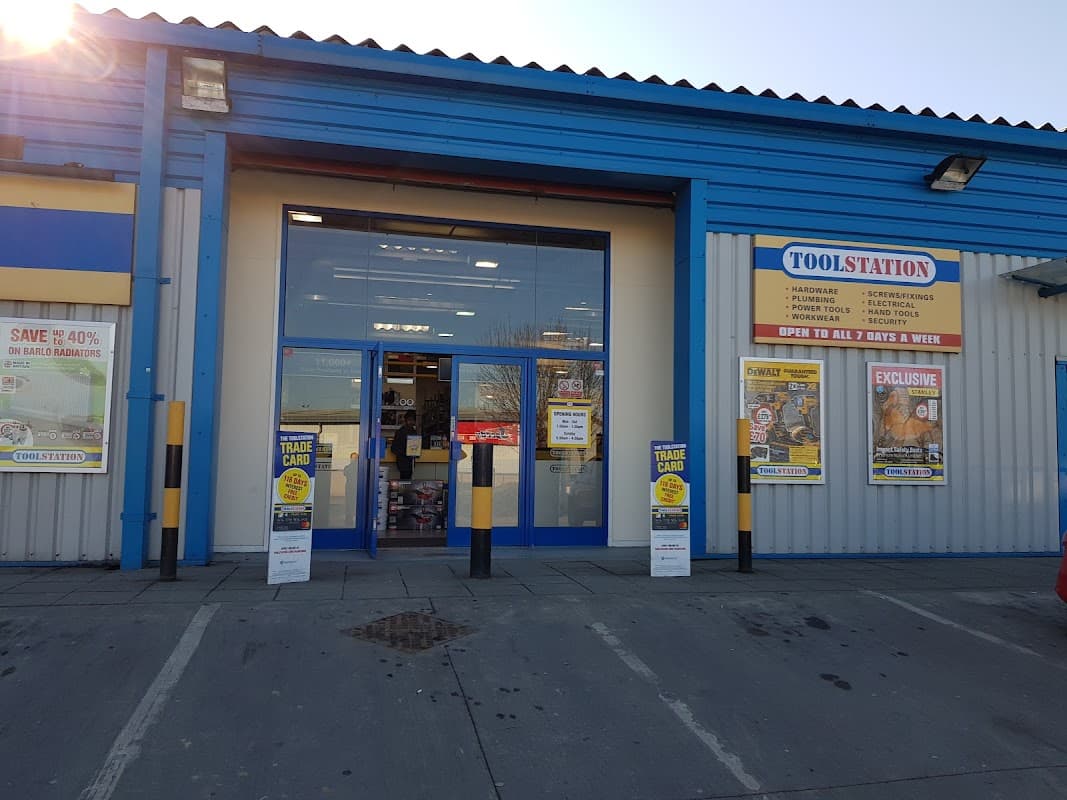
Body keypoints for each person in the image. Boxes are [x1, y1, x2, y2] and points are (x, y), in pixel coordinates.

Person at [390, 410, 418, 479]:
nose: (411, 422)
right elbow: (393, 449)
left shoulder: (414, 432)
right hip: (403, 463)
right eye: (409, 420)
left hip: (411, 463)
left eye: (413, 420)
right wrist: (405, 453)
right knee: (404, 482)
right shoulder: (400, 432)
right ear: (405, 420)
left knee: (408, 482)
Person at [342, 450, 359, 526]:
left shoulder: (359, 467)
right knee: (349, 502)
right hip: (349, 487)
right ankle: (349, 518)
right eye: (353, 458)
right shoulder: (348, 467)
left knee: (355, 502)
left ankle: (354, 517)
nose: (354, 460)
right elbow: (345, 473)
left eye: (355, 458)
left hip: (356, 486)